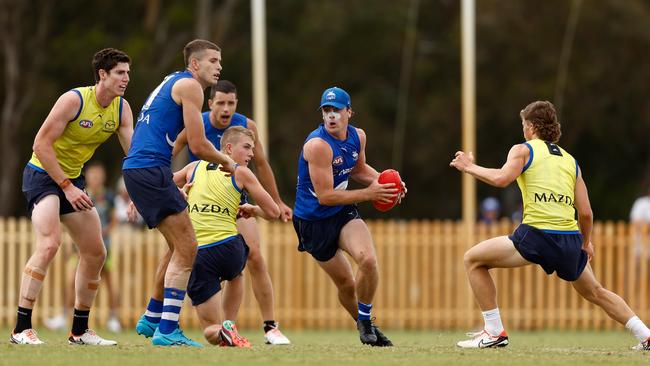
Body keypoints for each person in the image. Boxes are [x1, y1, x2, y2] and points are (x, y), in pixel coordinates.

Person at [450, 100, 650, 350]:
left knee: (473, 260)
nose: (523, 130)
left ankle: (493, 331)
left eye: (524, 124)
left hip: (537, 235)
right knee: (596, 292)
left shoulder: (523, 150)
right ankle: (646, 335)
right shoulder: (570, 161)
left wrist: (469, 167)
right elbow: (586, 213)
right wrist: (585, 243)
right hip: (569, 240)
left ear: (532, 126)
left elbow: (502, 178)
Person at [12, 48, 133, 345]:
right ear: (102, 74)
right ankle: (20, 329)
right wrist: (66, 186)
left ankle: (79, 331)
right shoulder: (74, 100)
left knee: (96, 252)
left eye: (128, 73)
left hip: (72, 181)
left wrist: (141, 192)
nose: (126, 78)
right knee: (50, 243)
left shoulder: (121, 109)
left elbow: (135, 156)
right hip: (42, 176)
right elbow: (40, 144)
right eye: (120, 72)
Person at [122, 39, 236, 347]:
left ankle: (152, 317)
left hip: (141, 170)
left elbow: (174, 138)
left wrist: (148, 184)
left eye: (220, 61)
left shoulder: (172, 82)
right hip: (149, 170)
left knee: (176, 246)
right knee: (188, 246)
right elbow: (198, 146)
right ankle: (167, 330)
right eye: (213, 60)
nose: (219, 66)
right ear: (195, 64)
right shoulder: (191, 87)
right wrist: (229, 162)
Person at [170, 80, 292, 344]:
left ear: (236, 103)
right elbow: (172, 148)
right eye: (221, 103)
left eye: (231, 103)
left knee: (254, 255)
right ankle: (164, 320)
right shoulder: (196, 121)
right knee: (178, 256)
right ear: (210, 103)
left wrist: (278, 201)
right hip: (199, 192)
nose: (226, 108)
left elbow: (261, 164)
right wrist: (165, 188)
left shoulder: (246, 128)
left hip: (235, 196)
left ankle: (269, 326)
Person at [292, 86, 404, 347]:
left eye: (337, 110)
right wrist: (370, 193)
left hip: (341, 212)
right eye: (326, 111)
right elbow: (325, 196)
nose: (331, 116)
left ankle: (365, 322)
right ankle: (365, 322)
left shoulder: (358, 136)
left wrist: (388, 185)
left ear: (349, 112)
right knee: (346, 284)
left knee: (368, 261)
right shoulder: (318, 145)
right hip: (312, 221)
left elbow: (360, 169)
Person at [44, 162, 122, 333]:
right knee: (71, 281)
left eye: (98, 175)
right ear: (87, 176)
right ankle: (64, 316)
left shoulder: (108, 197)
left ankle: (113, 318)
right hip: (78, 247)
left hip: (105, 246)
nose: (95, 178)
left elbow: (115, 218)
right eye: (92, 175)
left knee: (110, 283)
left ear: (103, 177)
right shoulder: (79, 193)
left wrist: (102, 233)